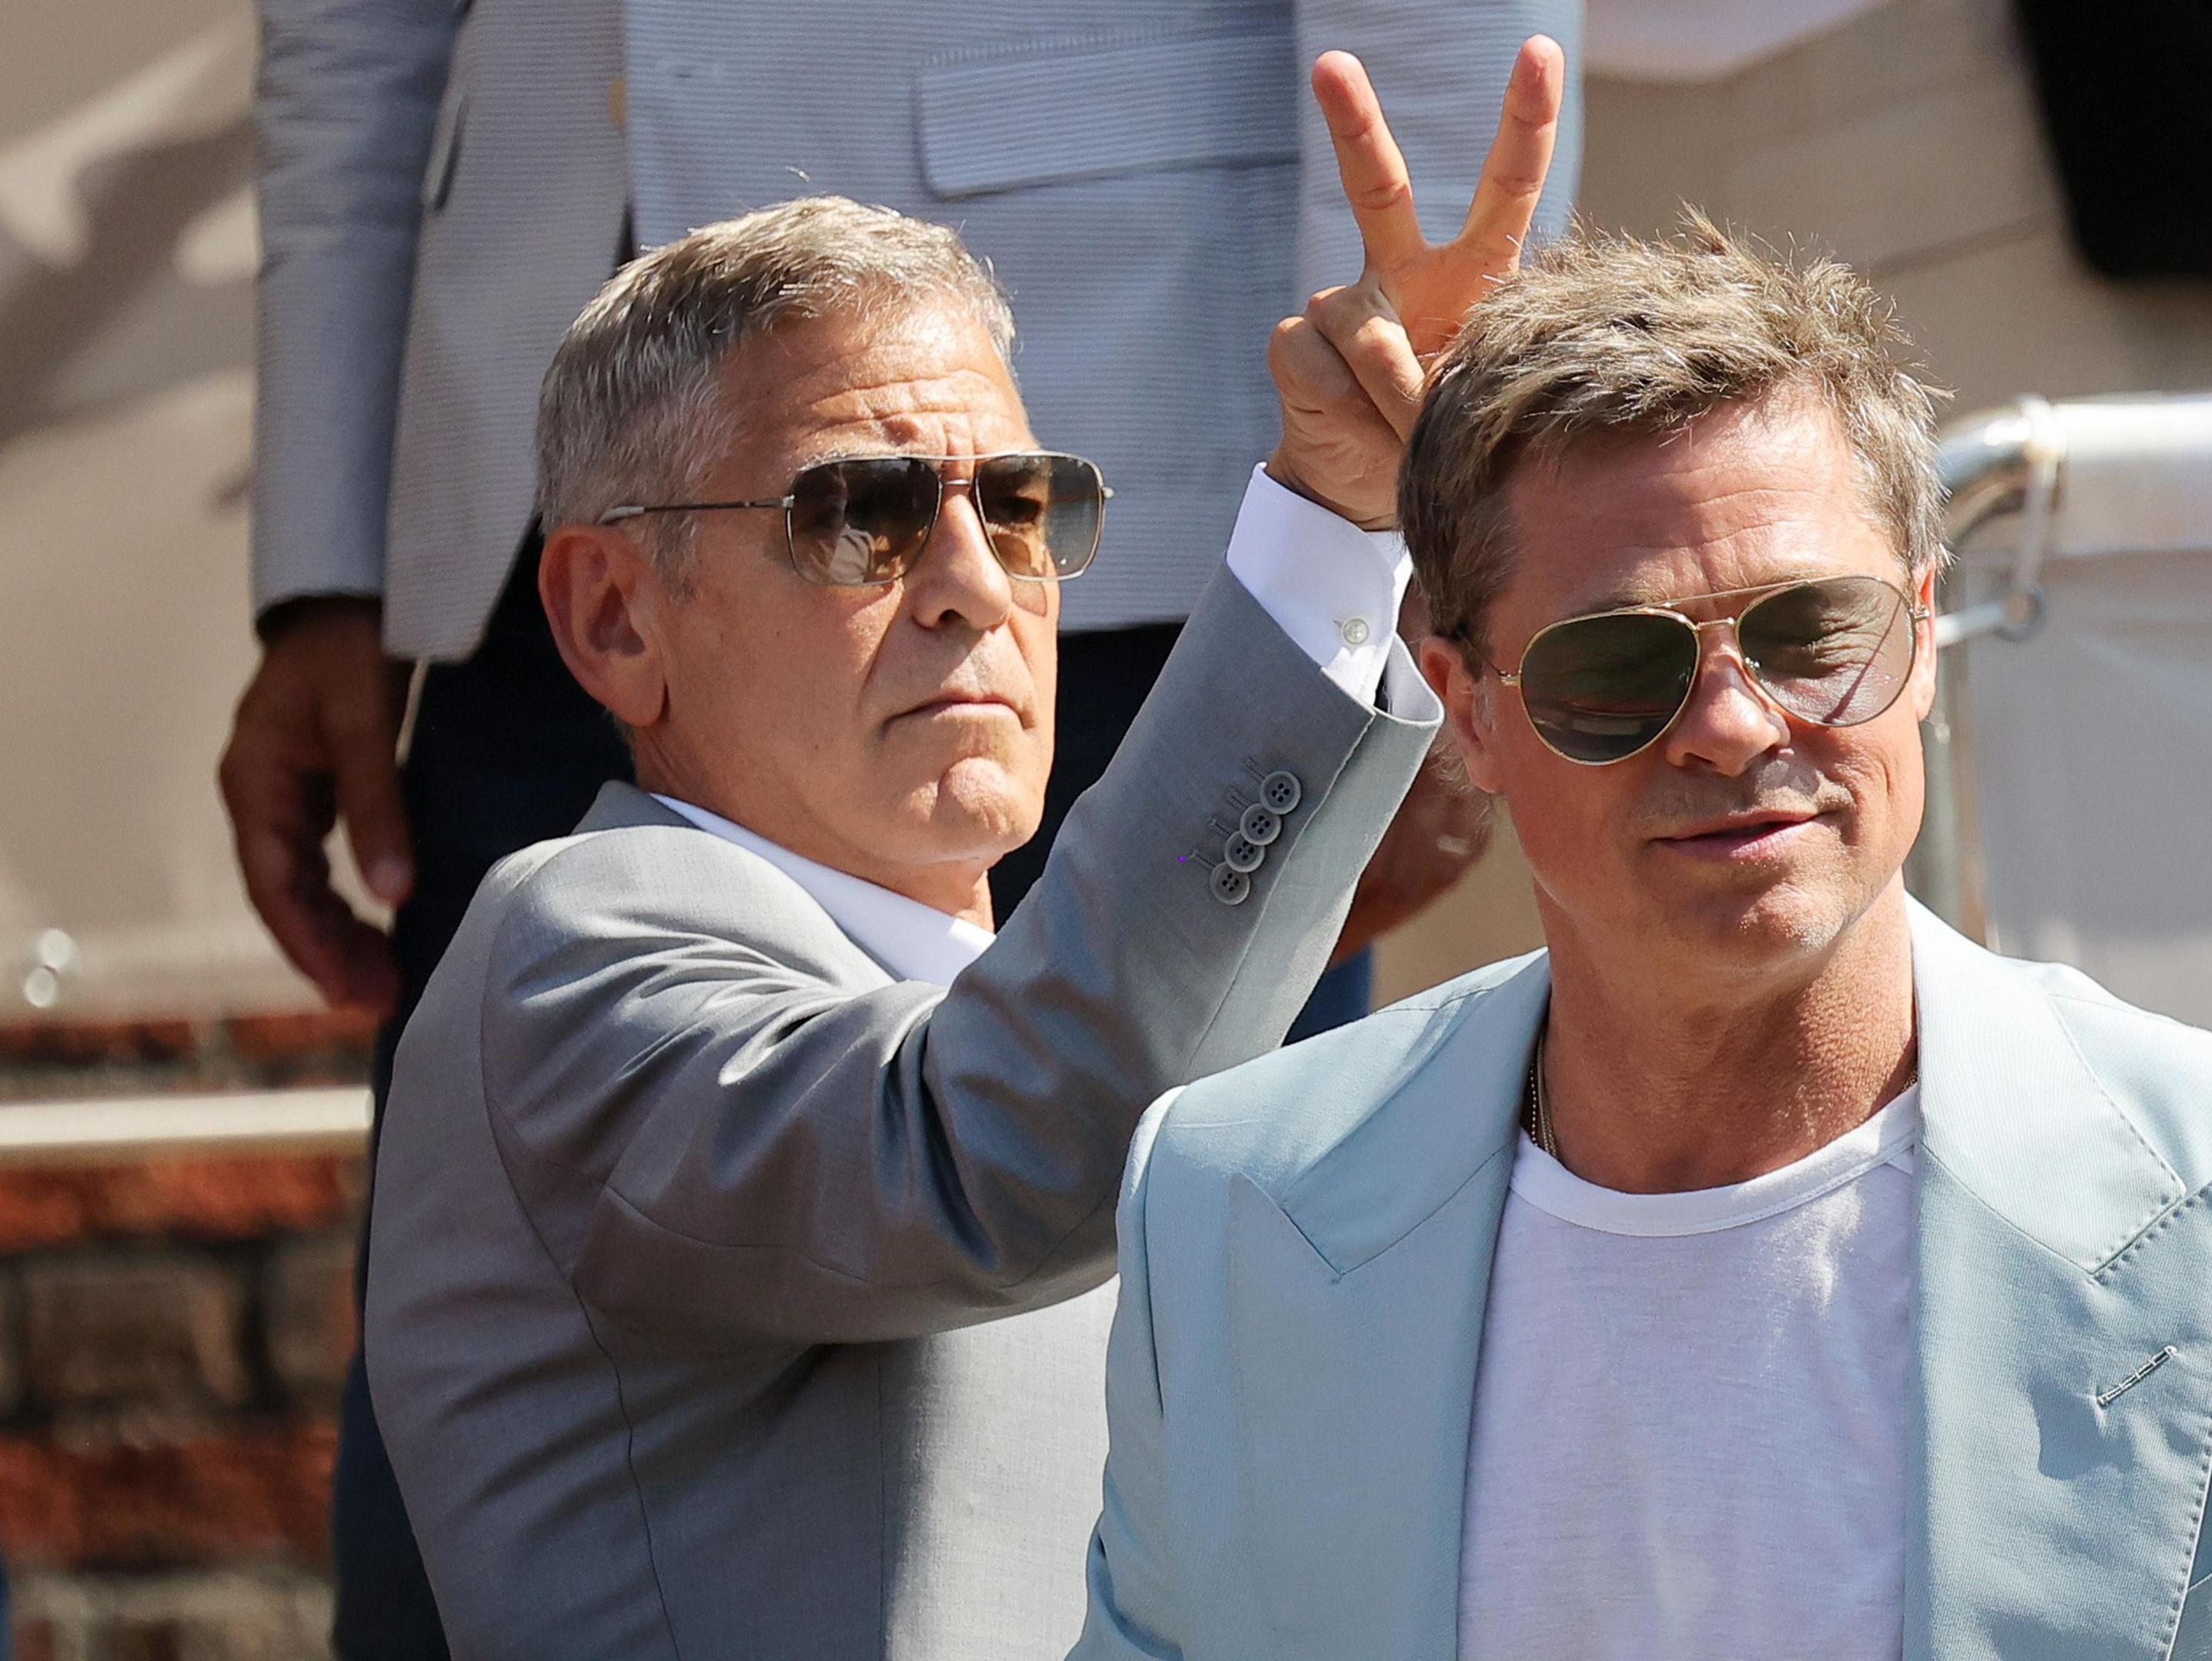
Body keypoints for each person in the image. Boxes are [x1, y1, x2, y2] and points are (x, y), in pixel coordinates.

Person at [1071, 218, 2212, 1659]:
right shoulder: (1233, 1209)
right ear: (1467, 708)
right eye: (1617, 670)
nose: (1734, 723)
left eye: (1811, 631)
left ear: (1920, 633)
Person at [226, 5, 1571, 1648]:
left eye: (1025, 507)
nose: (969, 586)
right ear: (618, 622)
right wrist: (1329, 557)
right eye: (856, 516)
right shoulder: (562, 960)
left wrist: (1413, 540)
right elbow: (989, 1154)